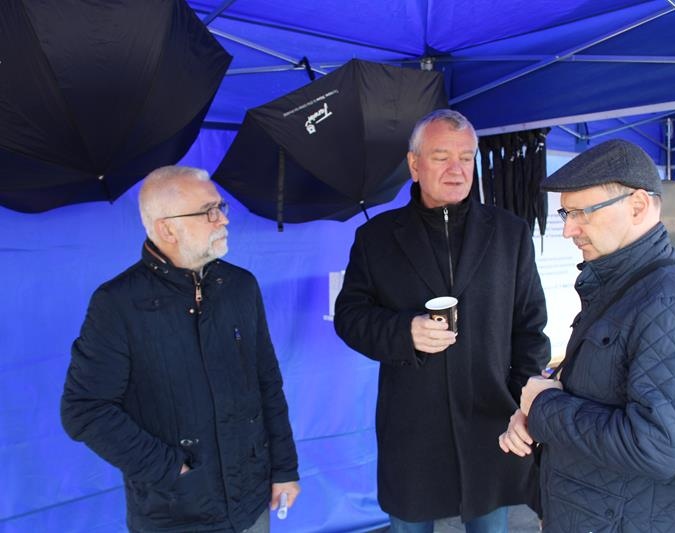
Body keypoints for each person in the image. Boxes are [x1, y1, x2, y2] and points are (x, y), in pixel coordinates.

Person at [499, 139, 675, 532]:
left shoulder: (672, 300)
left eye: (581, 213)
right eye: (566, 213)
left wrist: (544, 408)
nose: (568, 229)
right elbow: (605, 387)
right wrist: (538, 410)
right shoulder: (621, 285)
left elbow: (656, 445)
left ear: (637, 206)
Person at [334, 109, 550, 532]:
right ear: (414, 165)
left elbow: (530, 327)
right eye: (441, 157)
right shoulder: (376, 237)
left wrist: (519, 400)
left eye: (466, 158)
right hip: (412, 427)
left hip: (491, 421)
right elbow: (350, 317)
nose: (457, 169)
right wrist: (403, 332)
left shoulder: (510, 233)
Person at [61, 166, 300, 532]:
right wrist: (171, 469)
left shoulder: (241, 286)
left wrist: (284, 468)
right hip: (176, 513)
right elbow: (85, 409)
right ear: (167, 229)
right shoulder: (118, 304)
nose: (223, 219)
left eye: (220, 207)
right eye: (208, 211)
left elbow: (267, 381)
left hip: (251, 502)